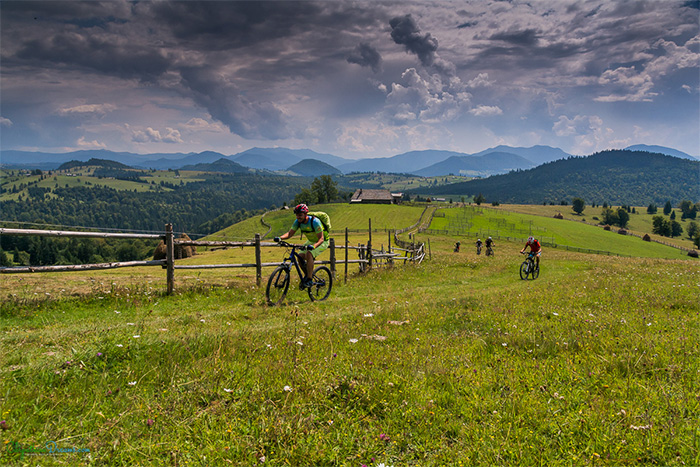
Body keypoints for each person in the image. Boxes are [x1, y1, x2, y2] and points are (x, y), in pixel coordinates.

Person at [274, 204, 329, 288]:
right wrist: (280, 238)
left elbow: (321, 239)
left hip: (322, 241)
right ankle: (307, 276)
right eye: (297, 215)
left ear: (305, 214)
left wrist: (314, 246)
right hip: (311, 241)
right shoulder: (298, 222)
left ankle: (310, 280)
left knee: (309, 253)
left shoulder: (315, 222)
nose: (298, 217)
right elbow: (290, 234)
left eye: (300, 215)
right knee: (299, 257)